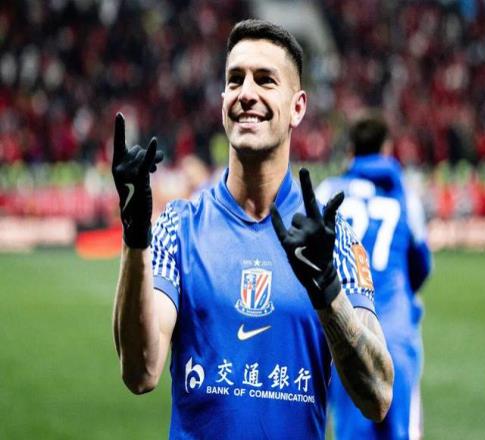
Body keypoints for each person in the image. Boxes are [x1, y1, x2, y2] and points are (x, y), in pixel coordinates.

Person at [112, 20, 394, 439]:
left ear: (297, 107)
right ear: (223, 100)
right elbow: (141, 371)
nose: (246, 93)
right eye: (235, 79)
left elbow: (377, 395)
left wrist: (328, 290)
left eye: (265, 80)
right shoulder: (179, 226)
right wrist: (135, 235)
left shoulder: (332, 240)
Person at [316, 115, 432, 440]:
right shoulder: (405, 197)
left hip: (346, 330)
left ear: (350, 151)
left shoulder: (328, 192)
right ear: (387, 149)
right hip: (395, 329)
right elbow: (421, 266)